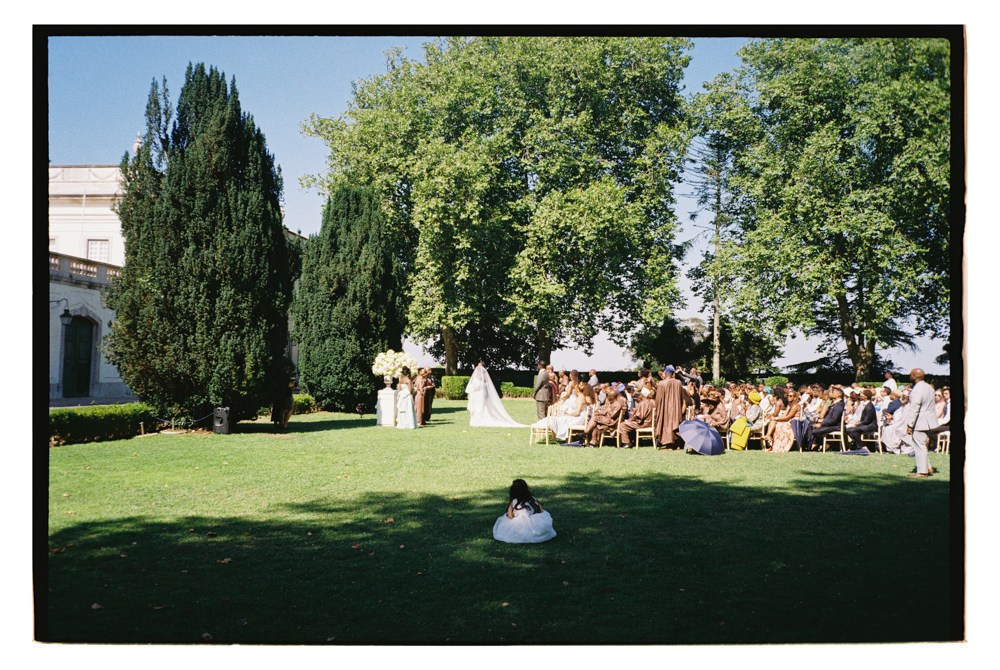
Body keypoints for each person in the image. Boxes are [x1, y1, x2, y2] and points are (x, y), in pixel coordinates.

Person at [492, 479, 556, 544]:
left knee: (507, 522)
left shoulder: (514, 501)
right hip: (535, 524)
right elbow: (541, 511)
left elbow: (510, 516)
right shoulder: (532, 499)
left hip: (521, 525)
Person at [467, 362, 526, 428]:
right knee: (480, 407)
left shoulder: (477, 380)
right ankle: (479, 419)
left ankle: (479, 420)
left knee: (480, 408)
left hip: (479, 396)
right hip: (480, 396)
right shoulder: (483, 380)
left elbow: (471, 389)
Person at [906, 368, 939, 478]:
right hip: (930, 421)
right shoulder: (929, 388)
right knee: (922, 445)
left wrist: (910, 424)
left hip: (920, 421)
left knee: (919, 446)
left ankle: (922, 472)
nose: (910, 376)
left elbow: (915, 408)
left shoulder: (917, 389)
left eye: (911, 374)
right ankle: (927, 467)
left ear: (915, 376)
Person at [654, 366, 687, 449]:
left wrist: (659, 408)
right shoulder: (678, 383)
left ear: (665, 373)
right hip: (676, 409)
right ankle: (677, 442)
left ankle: (669, 443)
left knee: (666, 423)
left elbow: (658, 399)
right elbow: (682, 397)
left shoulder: (661, 383)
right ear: (673, 374)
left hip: (665, 409)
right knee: (675, 423)